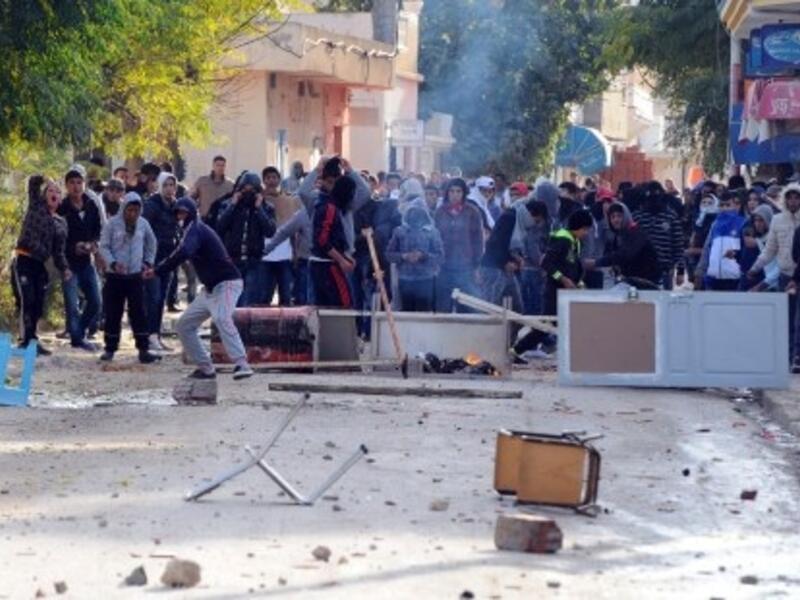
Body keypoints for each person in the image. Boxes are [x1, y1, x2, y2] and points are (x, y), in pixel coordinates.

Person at [150, 198, 253, 380]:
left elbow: (184, 252)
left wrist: (157, 270)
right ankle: (206, 368)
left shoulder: (196, 228)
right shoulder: (188, 231)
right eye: (178, 213)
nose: (181, 216)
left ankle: (242, 363)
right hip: (210, 290)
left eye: (184, 213)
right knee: (184, 326)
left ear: (191, 213)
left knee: (221, 317)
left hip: (227, 283)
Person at [512, 209, 594, 360]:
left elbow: (574, 267)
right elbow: (546, 263)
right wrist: (563, 279)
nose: (586, 233)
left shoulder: (574, 242)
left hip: (566, 294)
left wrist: (579, 283)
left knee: (561, 325)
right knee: (545, 327)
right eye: (585, 229)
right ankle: (516, 351)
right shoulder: (562, 241)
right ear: (578, 227)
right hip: (554, 293)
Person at [97, 192, 160, 363]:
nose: (132, 214)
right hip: (115, 277)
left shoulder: (143, 224)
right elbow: (104, 246)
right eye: (129, 210)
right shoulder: (112, 224)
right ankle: (110, 348)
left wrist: (147, 262)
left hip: (135, 276)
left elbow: (152, 244)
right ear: (123, 208)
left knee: (139, 313)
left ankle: (143, 349)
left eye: (136, 211)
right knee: (113, 313)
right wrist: (113, 263)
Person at [12, 176, 71, 355]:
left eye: (57, 192)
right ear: (44, 196)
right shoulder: (36, 206)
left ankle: (33, 340)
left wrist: (65, 268)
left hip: (40, 265)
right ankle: (25, 340)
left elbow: (58, 252)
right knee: (27, 300)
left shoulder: (61, 223)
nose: (54, 193)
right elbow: (33, 183)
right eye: (50, 190)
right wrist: (46, 178)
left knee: (38, 305)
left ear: (60, 199)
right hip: (23, 260)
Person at [216, 171, 277, 306]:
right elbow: (220, 226)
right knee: (233, 301)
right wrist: (232, 205)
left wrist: (259, 209)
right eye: (245, 190)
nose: (248, 194)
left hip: (254, 260)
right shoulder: (229, 205)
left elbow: (270, 231)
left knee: (248, 300)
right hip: (233, 259)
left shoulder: (266, 207)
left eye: (252, 190)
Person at [59, 167, 103, 351]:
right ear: (66, 186)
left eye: (79, 182)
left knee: (96, 302)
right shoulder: (62, 208)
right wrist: (73, 247)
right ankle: (77, 339)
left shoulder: (91, 205)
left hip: (87, 262)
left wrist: (94, 244)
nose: (76, 187)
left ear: (84, 184)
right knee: (72, 304)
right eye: (72, 183)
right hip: (68, 263)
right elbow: (57, 239)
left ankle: (79, 333)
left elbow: (99, 230)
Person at [142, 172, 181, 351]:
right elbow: (143, 230)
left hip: (168, 259)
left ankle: (154, 335)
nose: (169, 189)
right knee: (154, 297)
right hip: (153, 259)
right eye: (165, 185)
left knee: (162, 298)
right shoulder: (152, 205)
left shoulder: (176, 206)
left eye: (172, 185)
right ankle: (148, 335)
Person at [434, 178, 484, 312]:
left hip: (465, 267)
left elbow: (478, 240)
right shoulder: (440, 212)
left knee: (465, 307)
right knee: (443, 307)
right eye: (452, 191)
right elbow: (434, 238)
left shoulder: (472, 212)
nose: (455, 195)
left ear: (464, 193)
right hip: (444, 267)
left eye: (458, 191)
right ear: (447, 193)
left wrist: (476, 265)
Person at [310, 167, 356, 308]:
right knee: (343, 303)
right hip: (327, 265)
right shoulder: (329, 208)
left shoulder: (327, 205)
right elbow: (322, 240)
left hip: (323, 263)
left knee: (325, 306)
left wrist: (345, 257)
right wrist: (342, 260)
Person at [585, 202, 660, 288]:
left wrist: (596, 263)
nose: (616, 220)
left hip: (647, 283)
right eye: (613, 217)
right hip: (633, 281)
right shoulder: (619, 235)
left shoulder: (635, 232)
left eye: (619, 216)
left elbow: (624, 254)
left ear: (626, 216)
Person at [385, 204, 444, 312]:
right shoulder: (399, 232)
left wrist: (424, 256)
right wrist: (404, 256)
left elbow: (440, 257)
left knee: (424, 313)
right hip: (405, 280)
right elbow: (389, 254)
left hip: (426, 280)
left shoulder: (432, 232)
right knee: (407, 313)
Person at [631, 181, 685, 289]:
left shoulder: (671, 216)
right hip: (641, 269)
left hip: (664, 269)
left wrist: (680, 271)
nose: (653, 201)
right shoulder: (637, 217)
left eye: (656, 196)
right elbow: (630, 242)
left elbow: (678, 244)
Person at [260, 166, 299, 306]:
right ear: (264, 180)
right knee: (264, 297)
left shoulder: (289, 200)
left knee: (286, 296)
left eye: (274, 177)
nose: (271, 181)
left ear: (279, 180)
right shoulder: (259, 200)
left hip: (285, 256)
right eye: (268, 178)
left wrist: (295, 252)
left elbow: (293, 229)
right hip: (264, 257)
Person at [696, 192, 747, 291]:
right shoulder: (715, 224)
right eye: (722, 205)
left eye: (728, 205)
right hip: (713, 277)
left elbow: (746, 250)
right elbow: (707, 248)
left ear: (736, 206)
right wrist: (700, 270)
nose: (724, 208)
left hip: (735, 278)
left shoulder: (743, 223)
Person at [478, 203, 525, 312]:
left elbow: (508, 246)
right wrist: (505, 262)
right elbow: (496, 244)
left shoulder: (516, 221)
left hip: (506, 270)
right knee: (489, 307)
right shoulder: (509, 218)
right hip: (493, 269)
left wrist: (516, 260)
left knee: (516, 308)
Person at [510, 199, 550, 315]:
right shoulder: (533, 228)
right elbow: (534, 252)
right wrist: (544, 266)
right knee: (534, 305)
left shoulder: (522, 224)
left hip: (526, 270)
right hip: (533, 270)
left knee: (527, 304)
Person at [736, 205, 778, 291]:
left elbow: (779, 267)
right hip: (753, 280)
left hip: (771, 286)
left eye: (761, 220)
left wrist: (762, 285)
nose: (758, 224)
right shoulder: (757, 239)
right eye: (756, 220)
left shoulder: (776, 239)